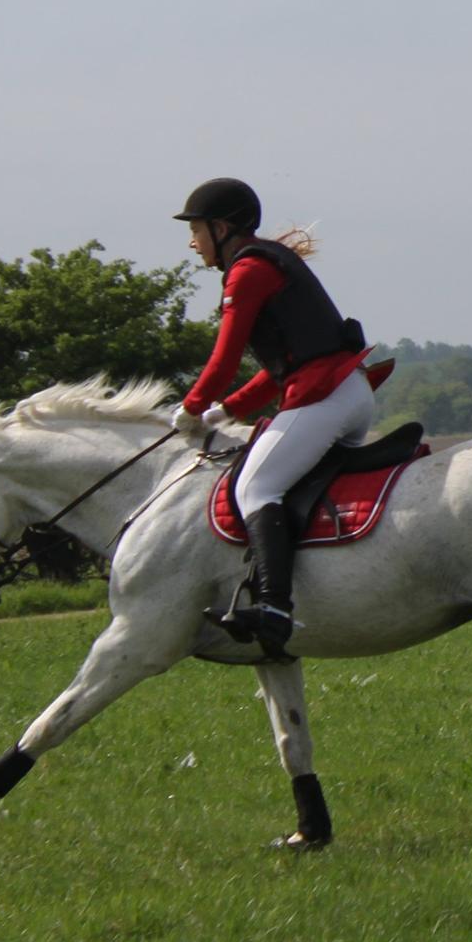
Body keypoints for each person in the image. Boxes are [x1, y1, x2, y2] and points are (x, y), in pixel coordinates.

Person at [171, 177, 374, 652]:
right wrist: (224, 413)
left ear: (221, 228)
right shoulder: (266, 262)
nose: (191, 241)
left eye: (196, 229)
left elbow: (224, 360)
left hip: (328, 398)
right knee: (283, 484)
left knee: (256, 486)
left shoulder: (247, 272)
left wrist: (191, 408)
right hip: (348, 392)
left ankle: (274, 608)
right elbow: (279, 369)